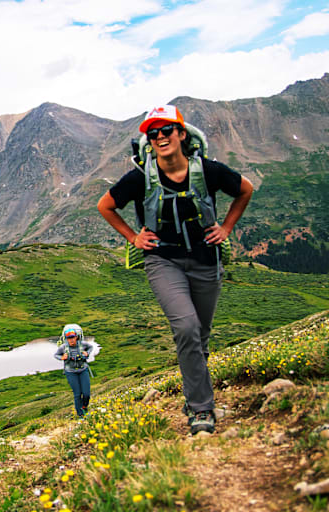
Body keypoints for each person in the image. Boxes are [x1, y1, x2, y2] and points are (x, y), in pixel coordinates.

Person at [97, 104, 253, 435]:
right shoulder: (140, 178)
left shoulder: (208, 170)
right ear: (148, 142)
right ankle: (201, 410)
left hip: (205, 259)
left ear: (182, 134)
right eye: (153, 133)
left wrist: (226, 227)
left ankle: (195, 393)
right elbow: (106, 206)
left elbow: (245, 189)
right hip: (163, 261)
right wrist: (133, 237)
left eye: (167, 130)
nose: (160, 137)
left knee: (200, 334)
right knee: (185, 327)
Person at [54, 324, 97, 417]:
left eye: (73, 337)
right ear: (66, 339)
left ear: (76, 337)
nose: (71, 340)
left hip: (83, 370)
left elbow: (91, 347)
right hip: (71, 372)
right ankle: (81, 415)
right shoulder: (63, 347)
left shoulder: (83, 344)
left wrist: (87, 353)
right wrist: (62, 357)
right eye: (69, 338)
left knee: (86, 393)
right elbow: (56, 355)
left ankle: (85, 406)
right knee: (77, 394)